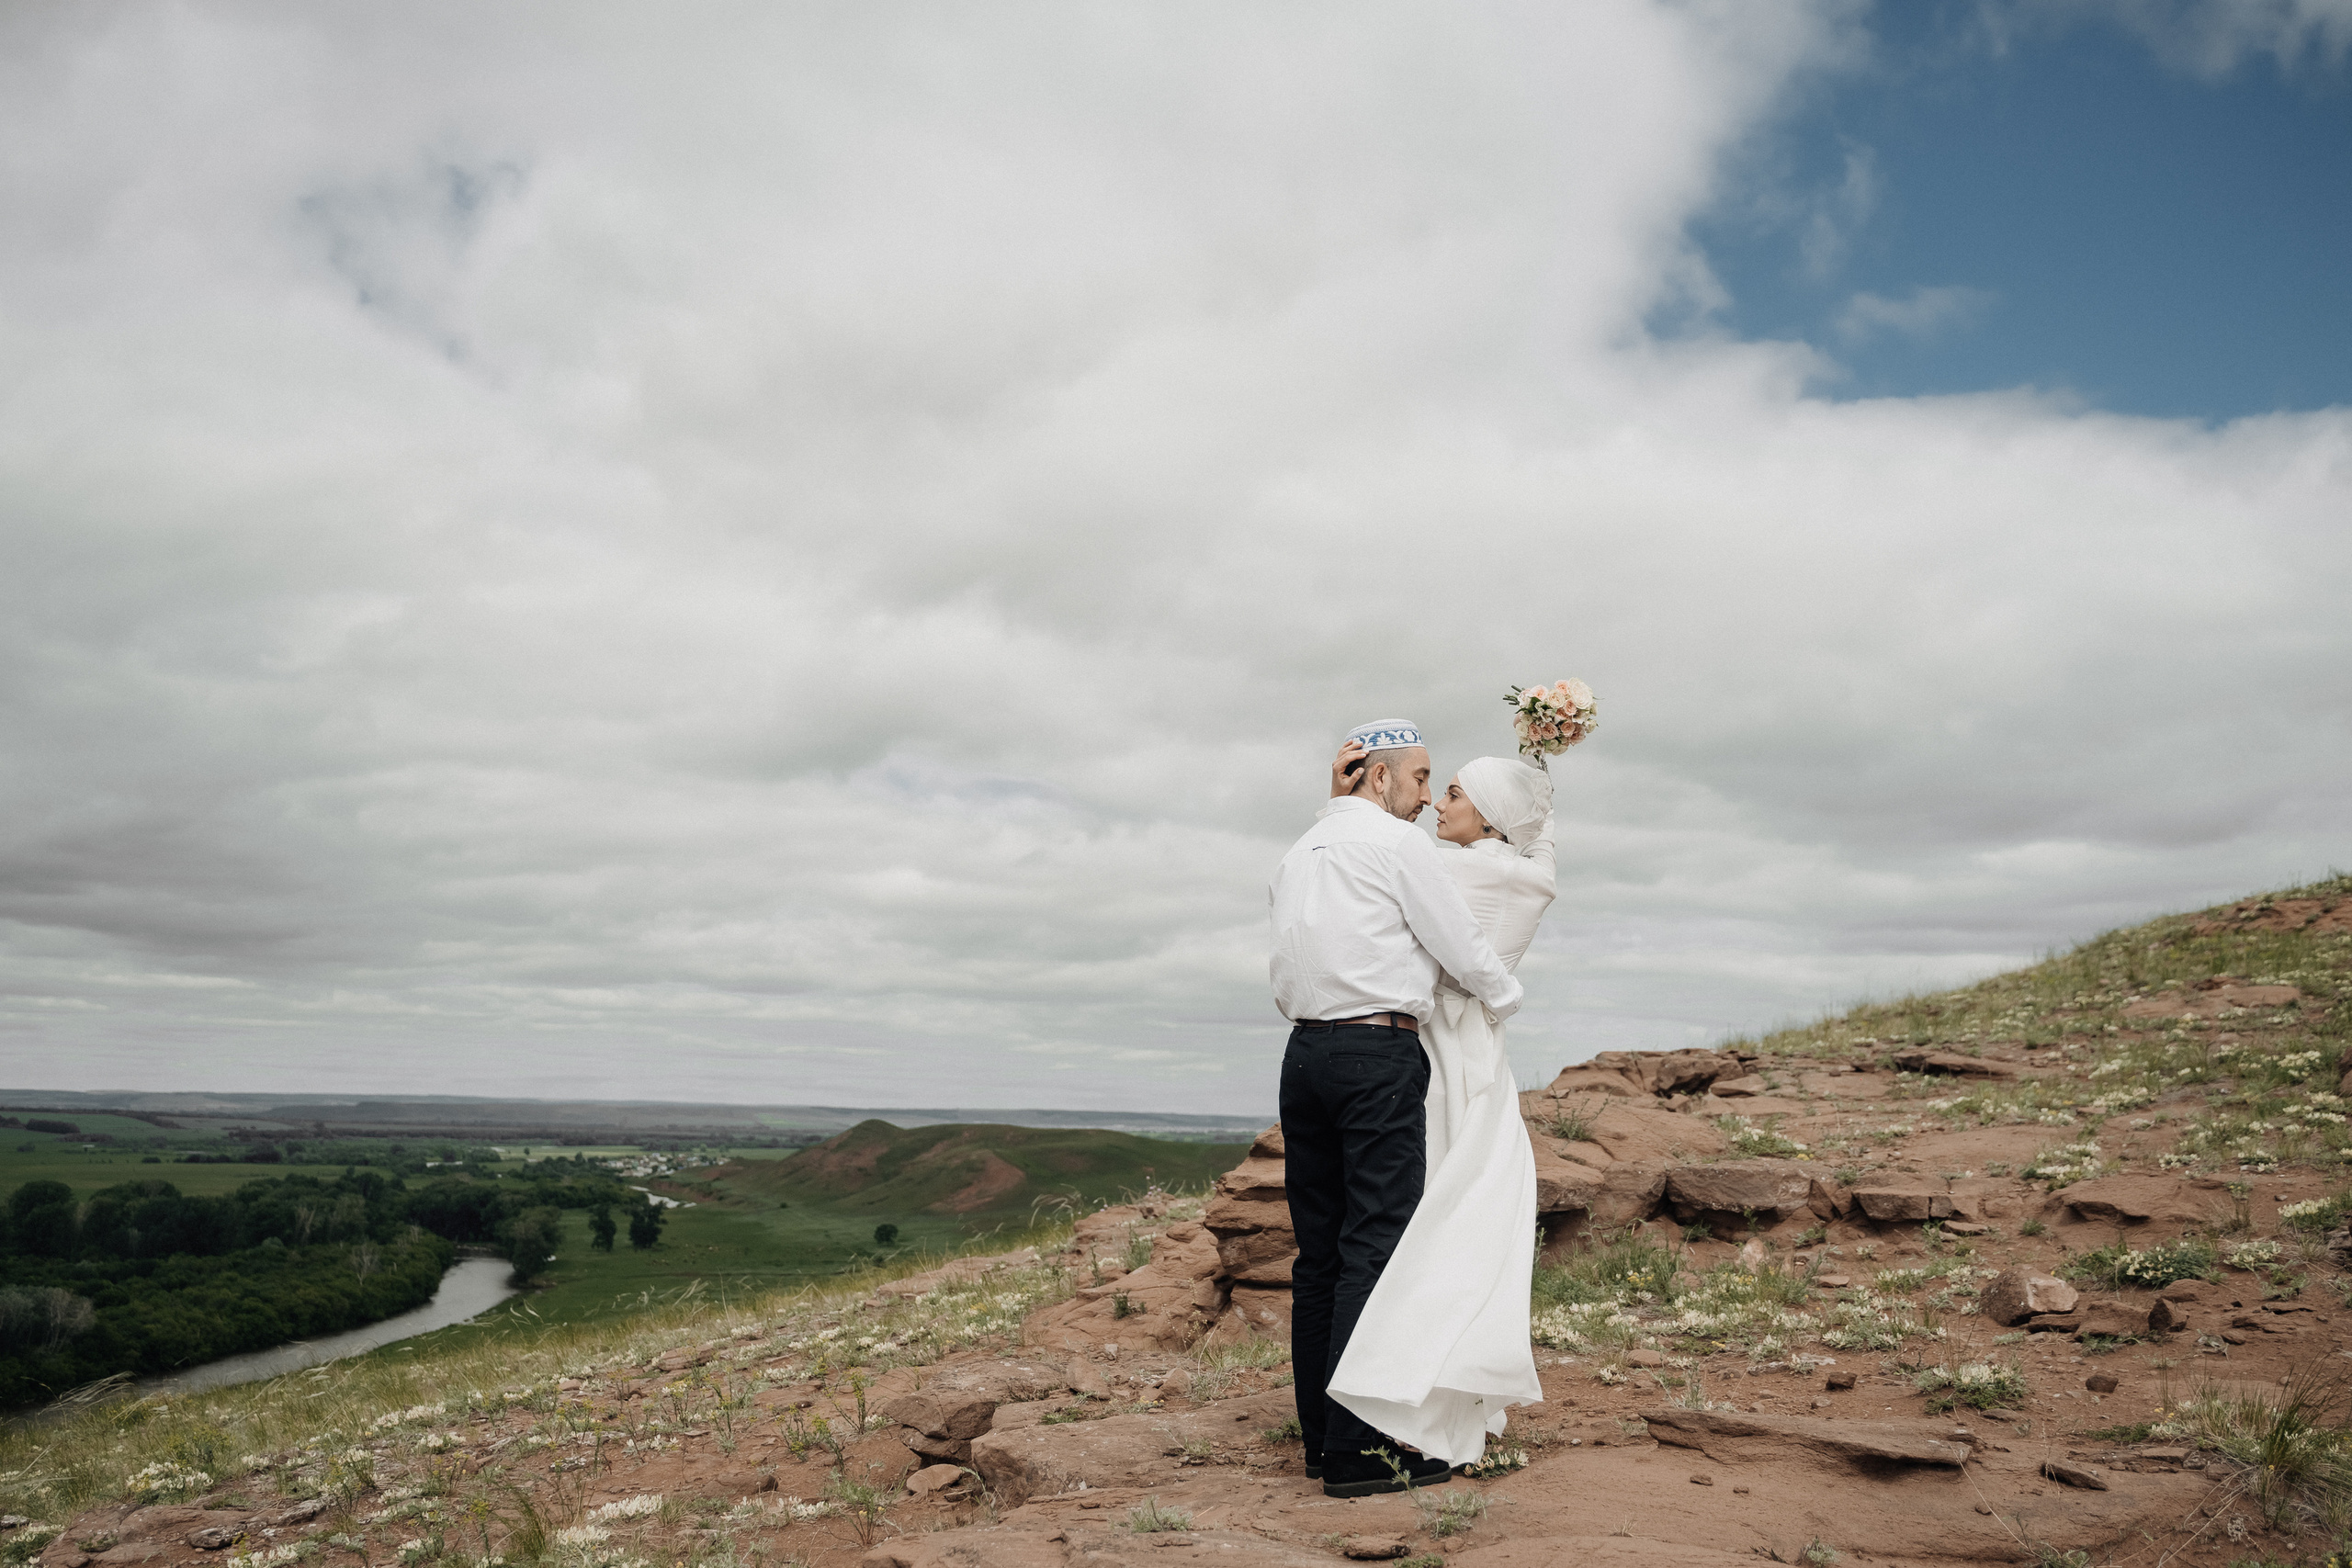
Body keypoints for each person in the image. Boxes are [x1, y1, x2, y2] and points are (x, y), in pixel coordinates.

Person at [1267, 719, 1526, 1498]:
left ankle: (1320, 1443)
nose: (1422, 796)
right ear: (1377, 778)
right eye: (1418, 778)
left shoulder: (1299, 852)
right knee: (1375, 1246)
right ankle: (1359, 1453)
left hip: (1303, 1057)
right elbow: (1459, 942)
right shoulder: (1397, 844)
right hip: (1375, 1054)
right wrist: (1506, 996)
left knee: (1319, 1257)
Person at [1326, 749, 1554, 1469]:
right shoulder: (1527, 872)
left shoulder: (1462, 866)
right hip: (1483, 1050)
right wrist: (1540, 759)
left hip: (1443, 1051)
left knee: (1426, 1222)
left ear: (1487, 816)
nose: (1436, 804)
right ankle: (1447, 1386)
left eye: (1451, 792)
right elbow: (1539, 835)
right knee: (1468, 1216)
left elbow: (1385, 866)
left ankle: (1402, 1391)